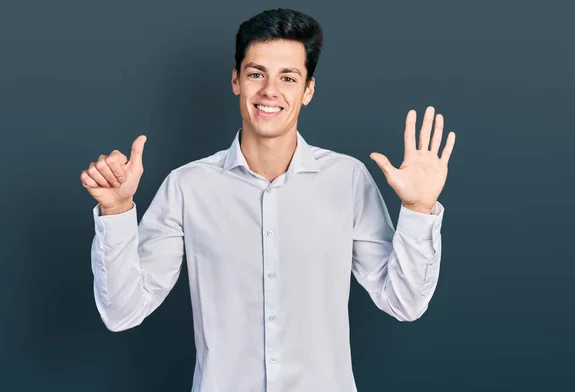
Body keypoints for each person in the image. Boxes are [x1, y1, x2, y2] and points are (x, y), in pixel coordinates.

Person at [80, 8, 455, 392]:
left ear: (308, 89)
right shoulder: (187, 187)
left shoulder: (347, 180)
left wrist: (418, 210)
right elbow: (121, 313)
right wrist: (116, 211)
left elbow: (404, 303)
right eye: (256, 73)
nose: (269, 91)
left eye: (288, 77)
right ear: (235, 81)